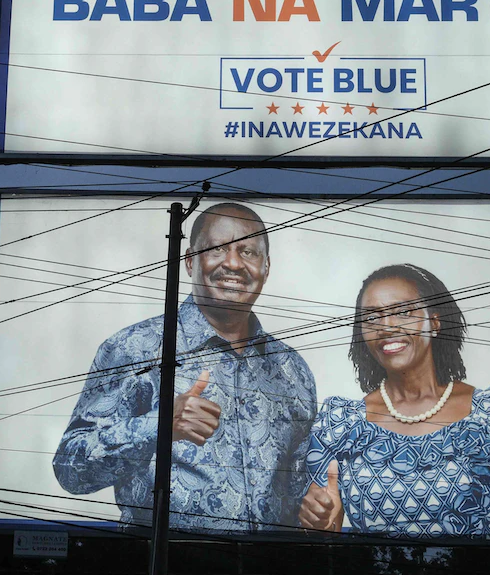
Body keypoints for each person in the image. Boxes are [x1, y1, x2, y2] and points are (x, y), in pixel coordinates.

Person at [53, 203, 317, 532]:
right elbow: (70, 470)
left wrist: (316, 507)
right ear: (190, 261)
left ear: (266, 267)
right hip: (164, 560)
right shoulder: (135, 349)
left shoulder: (293, 370)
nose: (233, 263)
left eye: (248, 252)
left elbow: (298, 488)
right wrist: (160, 425)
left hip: (268, 563)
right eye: (217, 249)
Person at [298, 264, 490, 539]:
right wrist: (318, 522)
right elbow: (325, 530)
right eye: (372, 317)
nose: (386, 327)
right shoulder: (340, 423)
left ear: (435, 322)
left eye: (403, 312)